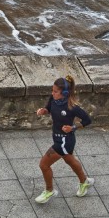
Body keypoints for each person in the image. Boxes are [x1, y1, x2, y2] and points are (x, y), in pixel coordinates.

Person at [33, 75, 93, 204]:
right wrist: (43, 111)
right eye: (52, 90)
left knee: (44, 165)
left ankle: (49, 191)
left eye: (55, 91)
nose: (52, 93)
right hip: (57, 136)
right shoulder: (53, 100)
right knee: (70, 160)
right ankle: (85, 181)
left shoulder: (72, 107)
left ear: (64, 93)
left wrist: (73, 127)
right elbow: (49, 108)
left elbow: (87, 120)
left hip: (65, 141)